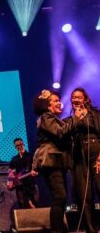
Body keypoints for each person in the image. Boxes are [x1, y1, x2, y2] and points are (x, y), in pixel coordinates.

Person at [32, 89, 83, 233]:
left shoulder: (53, 119)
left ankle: (59, 229)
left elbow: (64, 128)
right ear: (47, 105)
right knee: (60, 197)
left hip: (57, 161)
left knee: (61, 198)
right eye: (55, 101)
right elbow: (61, 132)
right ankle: (56, 230)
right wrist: (76, 118)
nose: (59, 103)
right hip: (50, 160)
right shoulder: (46, 117)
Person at [67, 87, 100, 233]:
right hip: (79, 158)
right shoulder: (70, 118)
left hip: (96, 153)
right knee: (84, 196)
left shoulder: (95, 114)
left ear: (85, 99)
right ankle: (90, 229)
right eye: (73, 97)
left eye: (79, 97)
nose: (75, 99)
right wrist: (76, 118)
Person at [7, 138, 38, 209]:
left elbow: (36, 167)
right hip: (19, 185)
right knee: (22, 204)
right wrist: (11, 177)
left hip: (30, 184)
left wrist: (35, 171)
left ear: (23, 144)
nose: (19, 146)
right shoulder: (14, 159)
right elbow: (10, 170)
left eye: (20, 144)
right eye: (16, 145)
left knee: (34, 203)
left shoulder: (30, 156)